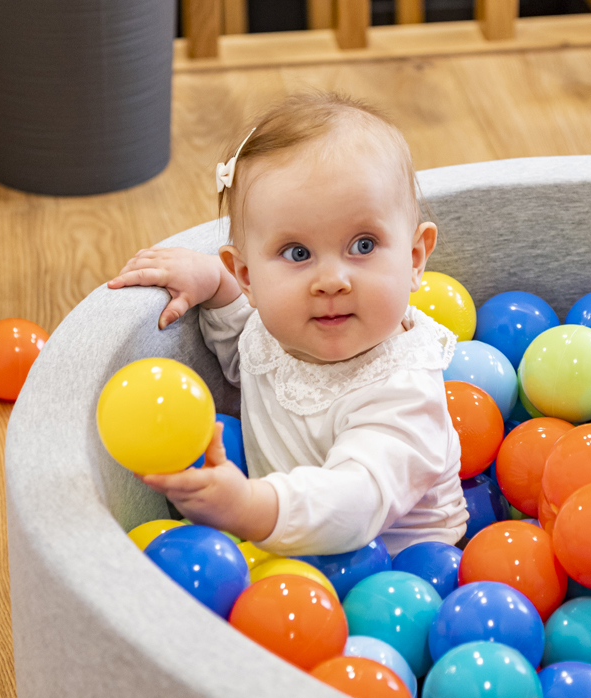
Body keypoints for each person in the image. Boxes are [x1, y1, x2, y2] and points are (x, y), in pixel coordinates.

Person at [108, 92, 467, 556]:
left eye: (362, 245)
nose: (332, 281)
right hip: (287, 554)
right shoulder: (282, 327)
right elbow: (247, 352)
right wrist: (215, 287)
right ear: (247, 276)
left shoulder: (403, 391)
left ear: (415, 258)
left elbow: (356, 501)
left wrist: (248, 507)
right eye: (298, 253)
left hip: (398, 567)